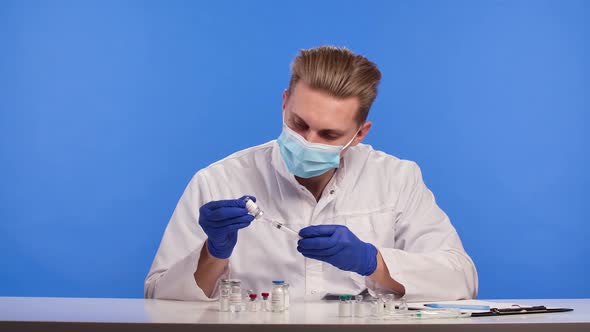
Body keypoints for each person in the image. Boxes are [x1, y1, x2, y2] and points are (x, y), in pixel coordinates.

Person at [144, 46, 478, 302]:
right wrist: (213, 253)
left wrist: (372, 261)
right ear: (284, 103)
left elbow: (461, 280)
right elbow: (157, 299)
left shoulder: (396, 179)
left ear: (360, 133)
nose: (307, 142)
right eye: (299, 124)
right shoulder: (218, 181)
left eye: (329, 135)